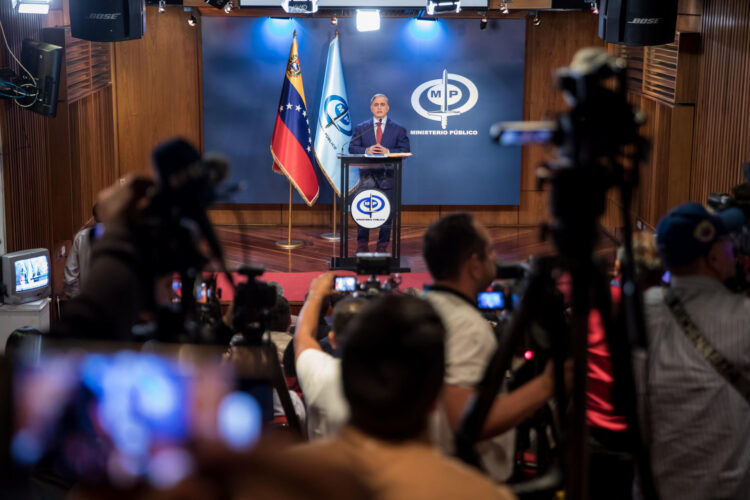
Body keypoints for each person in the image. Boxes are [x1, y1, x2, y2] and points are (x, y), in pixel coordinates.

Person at [290, 294, 515, 500]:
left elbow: (304, 341)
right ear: (436, 398)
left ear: (345, 381)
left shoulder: (280, 478)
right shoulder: (482, 493)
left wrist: (317, 291)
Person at [422, 213, 559, 482]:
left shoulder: (424, 307)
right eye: (491, 251)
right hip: (468, 482)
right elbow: (465, 421)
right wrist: (548, 384)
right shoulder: (467, 327)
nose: (496, 258)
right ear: (474, 265)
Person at [639, 202, 750, 500]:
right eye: (728, 241)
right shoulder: (742, 319)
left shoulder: (639, 312)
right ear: (712, 256)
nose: (735, 248)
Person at [294, 273, 368, 439]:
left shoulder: (323, 376)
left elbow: (303, 337)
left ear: (333, 339)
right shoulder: (404, 378)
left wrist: (316, 294)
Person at [349, 94, 410, 253]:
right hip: (367, 177)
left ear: (387, 107)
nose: (379, 107)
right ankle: (362, 245)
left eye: (382, 104)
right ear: (371, 108)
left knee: (387, 213)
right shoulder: (362, 128)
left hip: (388, 177)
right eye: (376, 104)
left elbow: (405, 150)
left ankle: (383, 245)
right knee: (363, 210)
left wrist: (388, 151)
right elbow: (352, 148)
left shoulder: (398, 129)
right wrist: (366, 150)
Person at [63, 204, 101, 298]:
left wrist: (77, 297)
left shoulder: (81, 237)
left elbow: (69, 274)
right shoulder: (121, 236)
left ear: (94, 217)